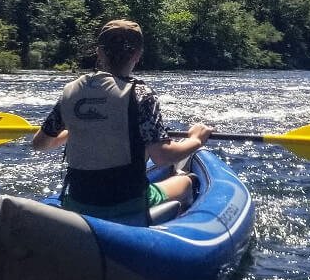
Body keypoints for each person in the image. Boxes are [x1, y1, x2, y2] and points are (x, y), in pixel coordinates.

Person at [31, 19, 213, 221]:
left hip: (78, 201)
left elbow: (40, 144)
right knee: (186, 183)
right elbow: (161, 156)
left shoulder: (72, 91)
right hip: (128, 202)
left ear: (99, 52)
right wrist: (196, 139)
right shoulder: (142, 94)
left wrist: (79, 128)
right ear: (137, 55)